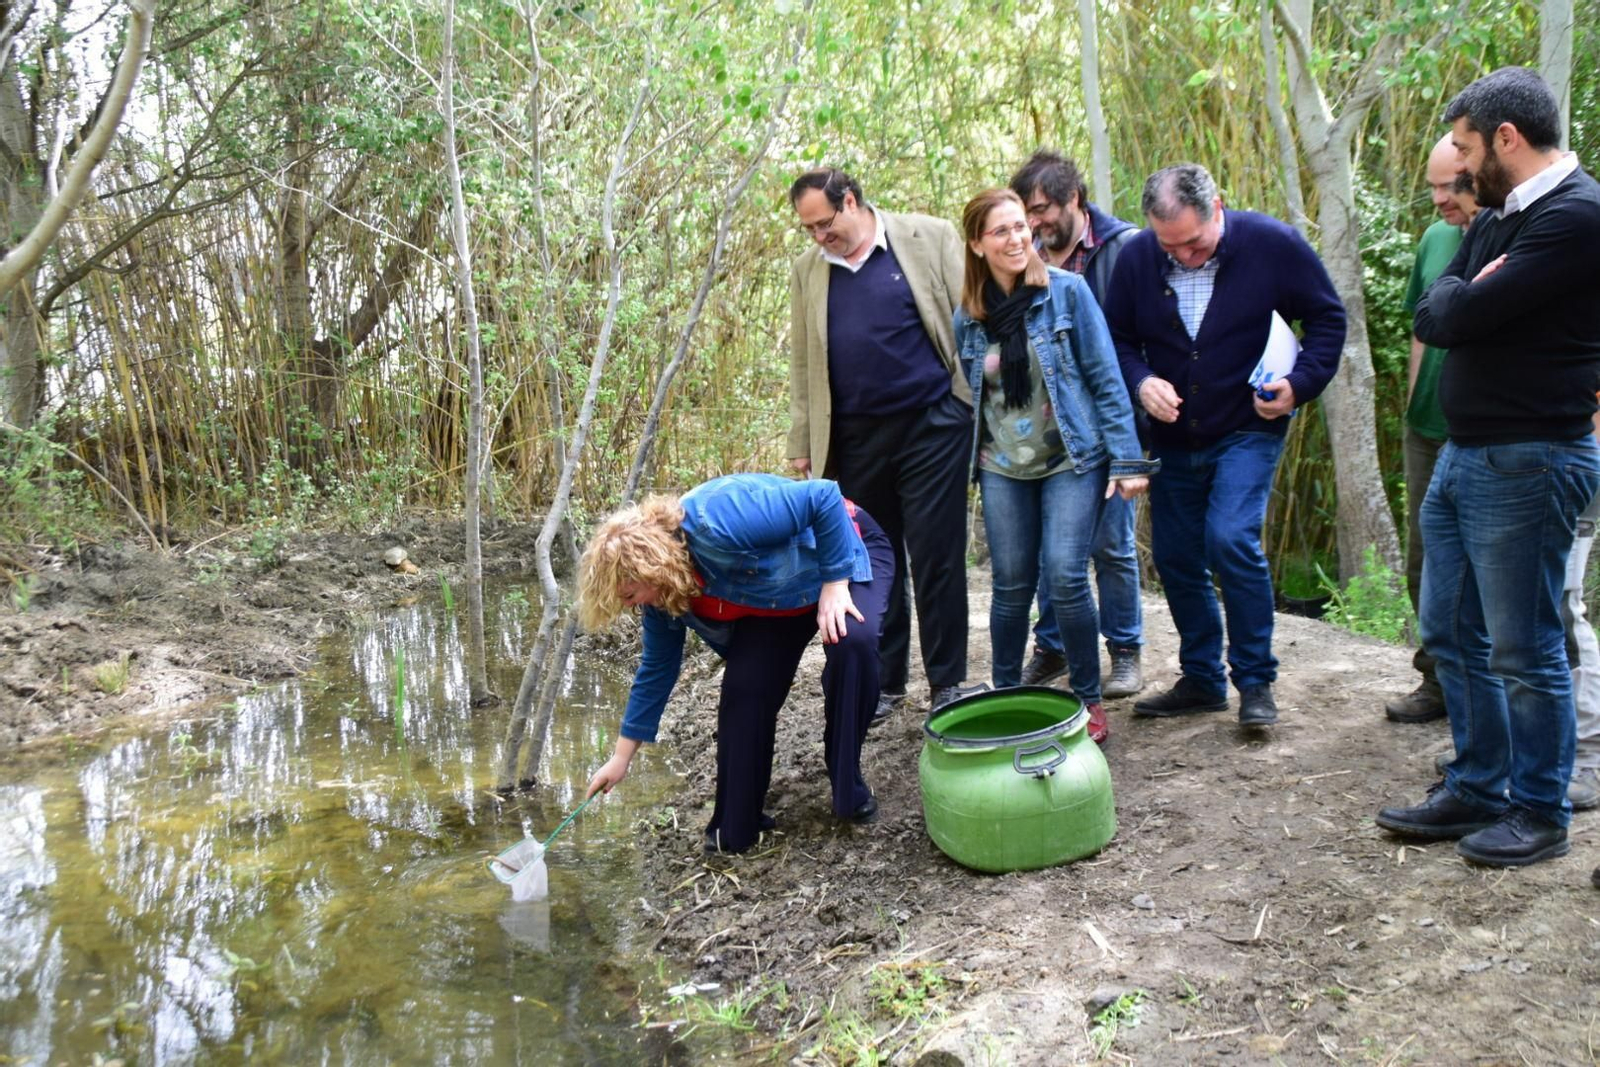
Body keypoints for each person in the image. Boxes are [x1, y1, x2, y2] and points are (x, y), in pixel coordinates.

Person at [1376, 68, 1600, 867]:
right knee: (1449, 627)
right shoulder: (1504, 215)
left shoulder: (1576, 218)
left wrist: (1470, 296)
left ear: (1507, 138)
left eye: (1467, 149)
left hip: (1531, 457)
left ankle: (1540, 809)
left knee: (1525, 643)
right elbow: (1437, 311)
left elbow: (1462, 310)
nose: (1463, 169)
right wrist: (1468, 293)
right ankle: (1478, 782)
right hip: (1466, 454)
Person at [1104, 163, 1346, 727]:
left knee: (1230, 537)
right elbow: (1114, 336)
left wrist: (1297, 385)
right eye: (1171, 247)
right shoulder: (1140, 256)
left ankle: (1256, 681)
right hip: (1173, 437)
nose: (1183, 256)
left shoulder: (1273, 244)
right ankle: (1203, 679)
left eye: (1193, 243)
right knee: (1176, 556)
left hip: (1248, 426)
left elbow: (1328, 320)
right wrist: (1141, 381)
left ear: (1219, 208)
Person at [580, 473, 894, 855]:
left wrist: (835, 582)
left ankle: (847, 782)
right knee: (745, 688)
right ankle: (738, 822)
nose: (631, 605)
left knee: (851, 640)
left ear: (650, 567)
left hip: (841, 545)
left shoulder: (717, 520)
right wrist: (620, 759)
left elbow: (823, 497)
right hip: (780, 596)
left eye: (630, 594)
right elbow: (656, 671)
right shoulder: (662, 599)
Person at [953, 188, 1156, 744]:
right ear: (977, 243)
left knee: (1065, 576)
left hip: (1072, 458)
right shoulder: (969, 318)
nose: (1018, 238)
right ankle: (1003, 695)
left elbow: (1106, 380)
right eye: (1002, 231)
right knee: (1011, 585)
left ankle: (1088, 699)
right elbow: (977, 400)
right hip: (1002, 466)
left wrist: (1127, 459)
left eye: (1022, 226)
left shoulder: (1067, 294)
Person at [786, 168, 975, 715]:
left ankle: (947, 684)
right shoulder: (808, 272)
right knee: (876, 559)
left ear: (851, 201)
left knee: (937, 554)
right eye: (810, 230)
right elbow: (802, 361)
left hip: (933, 426)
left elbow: (972, 318)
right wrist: (803, 439)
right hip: (855, 437)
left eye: (826, 223)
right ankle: (888, 682)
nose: (821, 236)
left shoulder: (928, 237)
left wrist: (967, 404)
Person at [1008, 150, 1147, 698]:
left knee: (1112, 544)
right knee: (1052, 550)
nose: (1034, 224)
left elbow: (1138, 342)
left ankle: (1125, 649)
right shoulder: (1023, 260)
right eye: (1026, 214)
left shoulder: (1127, 249)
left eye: (1041, 210)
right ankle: (1054, 648)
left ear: (1076, 201)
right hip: (1046, 432)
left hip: (1112, 424)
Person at [1385, 135, 1481, 725]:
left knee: (1485, 569)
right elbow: (1422, 327)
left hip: (1488, 432)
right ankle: (1437, 682)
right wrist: (1419, 399)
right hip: (1429, 426)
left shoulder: (1519, 231)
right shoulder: (1436, 238)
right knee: (1427, 561)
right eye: (1433, 188)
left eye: (1452, 185)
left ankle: (1483, 693)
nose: (1441, 199)